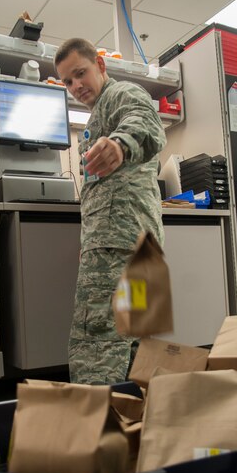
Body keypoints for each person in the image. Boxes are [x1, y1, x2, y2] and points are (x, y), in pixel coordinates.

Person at [55, 38, 166, 385]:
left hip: (118, 249)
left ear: (100, 66)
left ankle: (99, 430)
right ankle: (137, 427)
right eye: (67, 82)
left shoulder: (121, 96)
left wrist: (120, 143)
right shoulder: (99, 113)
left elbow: (145, 122)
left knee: (98, 346)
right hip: (135, 246)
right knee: (135, 345)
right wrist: (90, 239)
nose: (76, 86)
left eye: (80, 74)